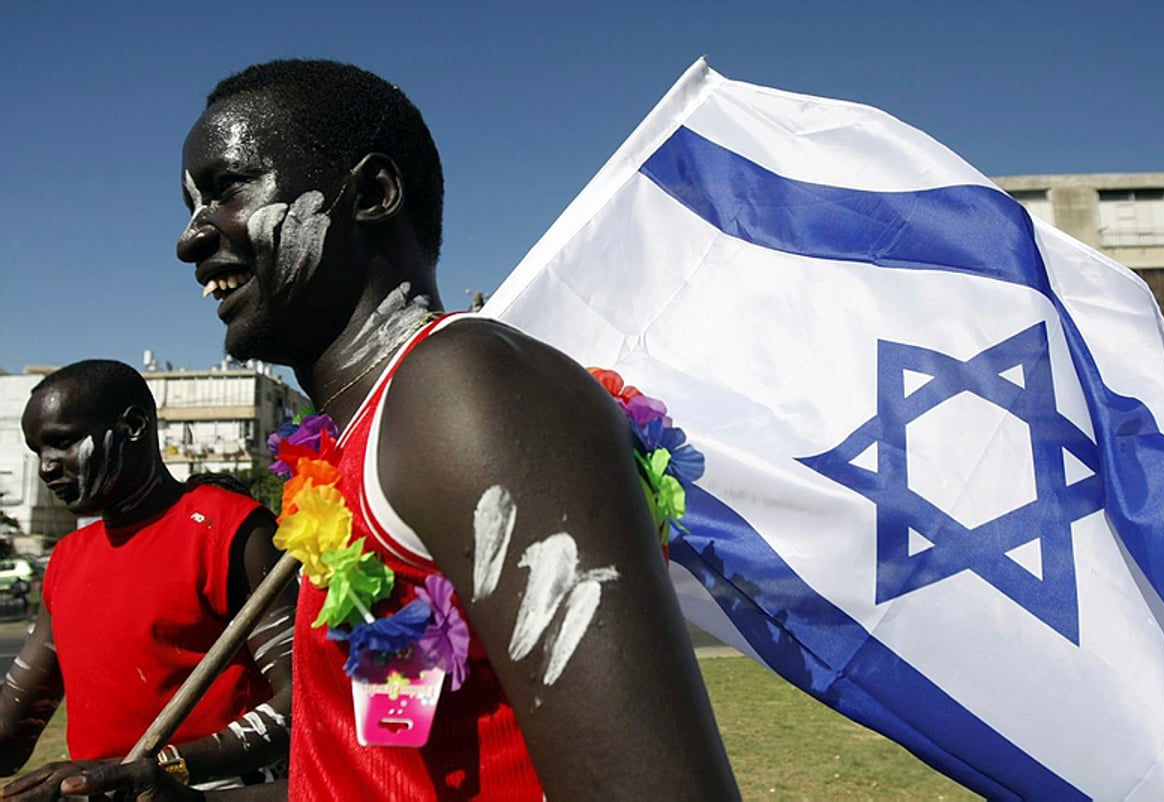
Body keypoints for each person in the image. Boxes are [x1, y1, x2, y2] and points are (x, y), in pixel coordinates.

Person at [62, 59, 737, 800]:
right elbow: (382, 767)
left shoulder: (465, 391)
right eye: (191, 205)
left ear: (375, 194)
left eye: (227, 190)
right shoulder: (355, 449)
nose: (190, 239)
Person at [0, 360, 295, 796]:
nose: (46, 467)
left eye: (61, 443)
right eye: (37, 450)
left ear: (135, 425)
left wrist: (160, 769)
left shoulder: (233, 531)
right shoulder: (67, 558)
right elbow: (12, 728)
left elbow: (305, 702)